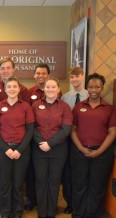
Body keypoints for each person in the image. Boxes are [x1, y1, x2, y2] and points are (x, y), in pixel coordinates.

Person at [71, 73, 116, 217]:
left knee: (97, 186)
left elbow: (112, 132)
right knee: (79, 185)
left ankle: (94, 214)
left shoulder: (109, 108)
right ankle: (79, 214)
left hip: (102, 154)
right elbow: (72, 129)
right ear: (87, 87)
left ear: (102, 88)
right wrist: (81, 148)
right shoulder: (79, 107)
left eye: (97, 87)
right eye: (90, 86)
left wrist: (99, 151)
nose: (93, 90)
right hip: (80, 152)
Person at [0, 57, 29, 211]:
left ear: (13, 70)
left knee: (18, 178)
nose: (5, 70)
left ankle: (15, 206)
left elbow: (25, 114)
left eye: (8, 67)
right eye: (2, 68)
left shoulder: (23, 90)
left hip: (19, 142)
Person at [31, 78, 73, 218]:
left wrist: (50, 143)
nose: (50, 89)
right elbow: (31, 127)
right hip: (39, 149)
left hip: (58, 150)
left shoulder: (64, 107)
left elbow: (66, 128)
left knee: (54, 181)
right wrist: (42, 142)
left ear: (58, 89)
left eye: (53, 87)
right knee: (41, 180)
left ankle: (51, 211)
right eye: (48, 87)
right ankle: (42, 212)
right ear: (44, 89)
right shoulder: (35, 105)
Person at [60, 66, 88, 214]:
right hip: (67, 141)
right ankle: (69, 202)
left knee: (81, 173)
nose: (74, 80)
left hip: (83, 140)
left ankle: (82, 202)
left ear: (82, 76)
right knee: (67, 174)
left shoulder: (90, 95)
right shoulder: (64, 97)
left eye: (77, 76)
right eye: (72, 77)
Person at [25, 63, 51, 211]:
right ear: (34, 75)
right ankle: (31, 198)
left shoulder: (55, 91)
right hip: (32, 138)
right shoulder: (29, 92)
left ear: (48, 75)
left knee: (46, 173)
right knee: (31, 171)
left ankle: (45, 199)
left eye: (43, 73)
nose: (41, 76)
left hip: (50, 140)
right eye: (38, 73)